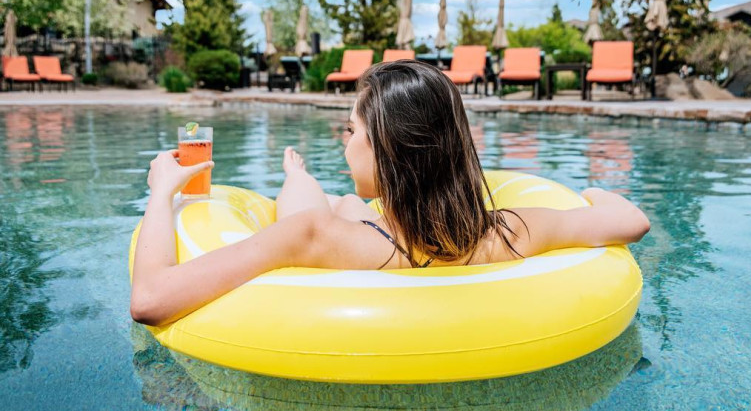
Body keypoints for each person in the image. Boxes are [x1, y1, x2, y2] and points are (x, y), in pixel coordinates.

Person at [131, 61, 650, 326]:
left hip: (352, 242)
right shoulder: (511, 229)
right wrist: (592, 189)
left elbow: (151, 300)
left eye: (351, 131)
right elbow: (632, 221)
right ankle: (337, 196)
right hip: (393, 235)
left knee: (308, 196)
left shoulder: (312, 235)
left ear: (388, 150)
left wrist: (160, 194)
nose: (345, 140)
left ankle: (297, 176)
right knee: (353, 208)